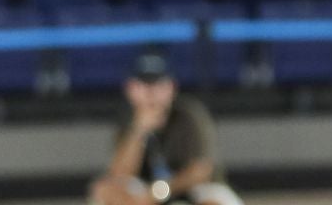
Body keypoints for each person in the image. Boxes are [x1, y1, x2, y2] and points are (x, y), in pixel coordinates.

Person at [90, 52, 242, 205]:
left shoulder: (188, 115)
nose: (151, 93)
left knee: (216, 200)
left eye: (158, 85)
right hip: (145, 194)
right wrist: (139, 131)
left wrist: (160, 191)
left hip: (189, 191)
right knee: (105, 190)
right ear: (130, 89)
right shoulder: (128, 119)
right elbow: (118, 176)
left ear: (172, 88)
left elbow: (201, 171)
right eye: (143, 85)